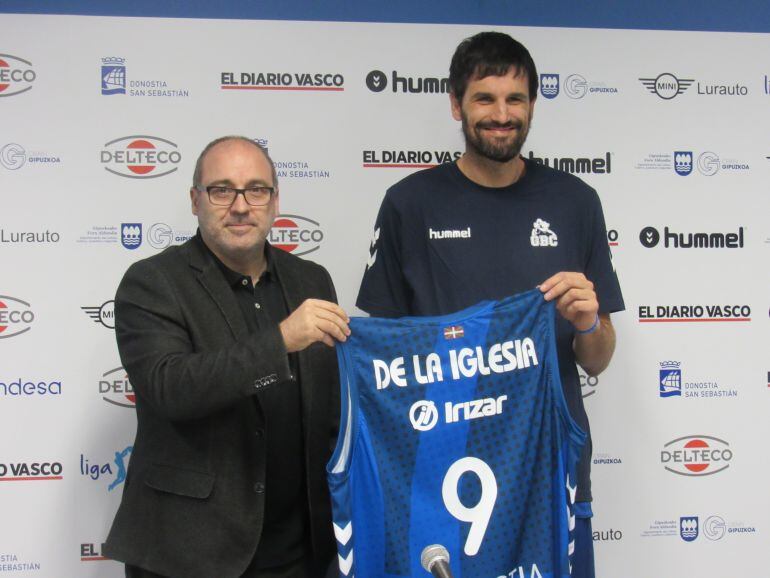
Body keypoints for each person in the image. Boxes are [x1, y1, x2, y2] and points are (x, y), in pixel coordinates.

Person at [356, 32, 624, 578]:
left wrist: (588, 321)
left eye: (515, 99)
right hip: (438, 474)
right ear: (456, 104)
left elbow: (597, 358)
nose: (501, 115)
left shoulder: (576, 202)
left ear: (531, 105)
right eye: (484, 98)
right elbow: (381, 357)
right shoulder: (409, 204)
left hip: (548, 469)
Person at [104, 136, 350, 578]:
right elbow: (170, 387)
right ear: (195, 200)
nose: (241, 205)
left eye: (256, 190)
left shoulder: (311, 279)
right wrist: (280, 341)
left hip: (301, 551)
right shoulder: (152, 282)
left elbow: (332, 407)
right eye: (222, 190)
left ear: (275, 202)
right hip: (189, 554)